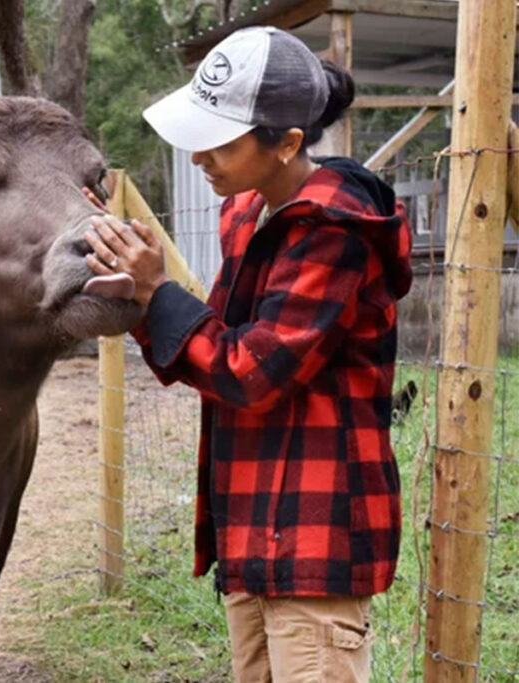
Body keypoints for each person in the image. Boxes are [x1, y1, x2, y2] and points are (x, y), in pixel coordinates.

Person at [82, 26, 413, 682]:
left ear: (287, 143)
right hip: (255, 526)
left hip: (314, 543)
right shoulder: (249, 215)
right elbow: (216, 348)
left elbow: (250, 371)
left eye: (222, 142)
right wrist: (147, 300)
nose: (201, 155)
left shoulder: (333, 233)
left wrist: (160, 292)